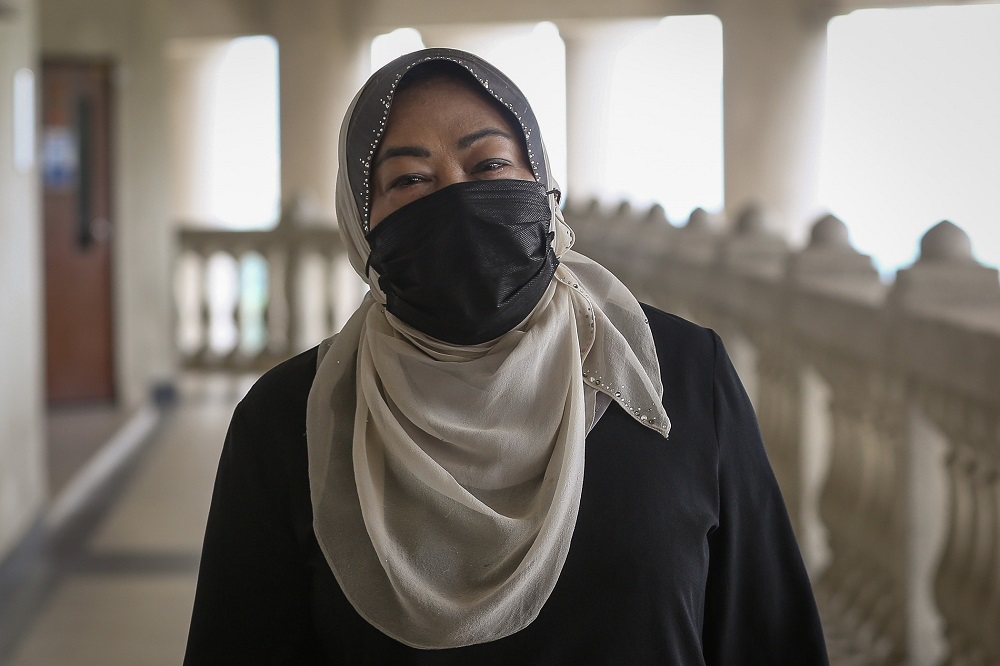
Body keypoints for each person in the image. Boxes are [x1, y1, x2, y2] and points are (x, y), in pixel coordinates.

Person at [183, 47, 829, 664]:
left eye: (489, 165)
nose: (455, 197)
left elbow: (767, 637)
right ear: (361, 224)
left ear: (543, 187)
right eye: (410, 179)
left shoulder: (678, 377)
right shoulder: (290, 422)